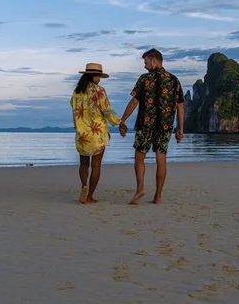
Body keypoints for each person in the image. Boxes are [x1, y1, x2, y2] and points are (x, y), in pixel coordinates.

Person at [119, 48, 184, 205]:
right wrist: (180, 128)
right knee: (161, 159)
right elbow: (180, 106)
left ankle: (140, 188)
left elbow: (134, 101)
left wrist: (122, 120)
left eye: (146, 62)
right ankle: (158, 197)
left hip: (145, 125)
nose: (144, 65)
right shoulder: (174, 80)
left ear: (154, 60)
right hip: (165, 127)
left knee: (139, 157)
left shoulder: (144, 79)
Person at [70, 62, 126, 204]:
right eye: (99, 76)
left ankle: (84, 185)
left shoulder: (76, 93)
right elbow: (107, 110)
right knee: (96, 166)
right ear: (94, 76)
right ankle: (89, 197)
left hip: (82, 134)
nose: (100, 79)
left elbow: (74, 110)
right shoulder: (99, 90)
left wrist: (78, 126)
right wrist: (119, 123)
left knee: (83, 164)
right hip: (97, 134)